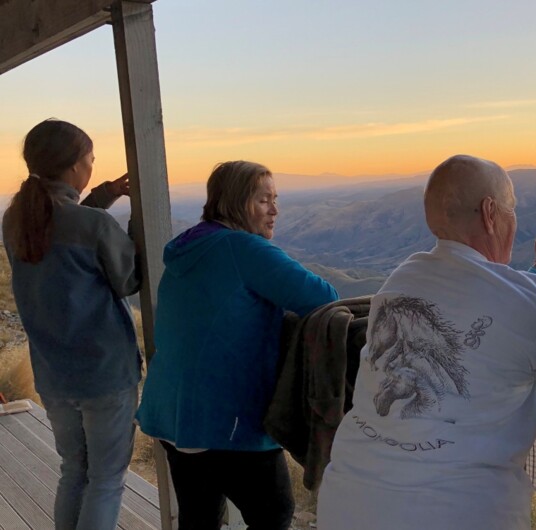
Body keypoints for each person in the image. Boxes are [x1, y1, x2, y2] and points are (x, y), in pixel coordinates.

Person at [316, 154, 536, 530]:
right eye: (512, 209)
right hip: (457, 514)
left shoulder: (400, 281)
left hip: (346, 504)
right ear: (490, 212)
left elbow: (482, 302)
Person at [135, 160, 339, 530]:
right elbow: (324, 298)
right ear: (235, 203)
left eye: (275, 199)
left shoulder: (190, 246)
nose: (274, 210)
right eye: (263, 200)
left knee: (199, 516)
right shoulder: (243, 248)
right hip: (222, 417)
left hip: (171, 410)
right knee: (273, 513)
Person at [2, 118, 140, 530]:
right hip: (104, 373)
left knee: (74, 471)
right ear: (76, 165)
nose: (92, 166)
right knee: (106, 480)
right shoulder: (92, 225)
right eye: (90, 160)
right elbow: (129, 280)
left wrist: (103, 195)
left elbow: (64, 224)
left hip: (53, 374)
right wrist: (136, 222)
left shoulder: (16, 220)